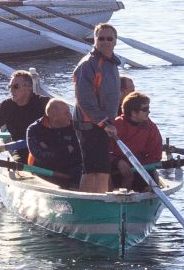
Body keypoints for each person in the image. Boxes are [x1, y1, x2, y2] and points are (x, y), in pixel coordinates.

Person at [71, 23, 123, 194]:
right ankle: (90, 202)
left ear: (115, 41)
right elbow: (84, 99)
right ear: (94, 40)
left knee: (102, 169)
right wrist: (104, 123)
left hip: (104, 123)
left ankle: (99, 198)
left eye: (109, 39)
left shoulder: (112, 63)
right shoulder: (88, 65)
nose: (105, 42)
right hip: (90, 124)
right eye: (101, 38)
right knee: (93, 169)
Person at [22, 99, 84, 186]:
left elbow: (78, 154)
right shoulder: (35, 129)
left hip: (71, 169)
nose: (70, 116)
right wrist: (66, 150)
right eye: (66, 113)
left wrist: (54, 151)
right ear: (54, 116)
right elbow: (41, 156)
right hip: (44, 171)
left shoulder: (74, 126)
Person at [110, 91, 163, 188]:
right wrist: (116, 162)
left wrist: (137, 166)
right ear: (133, 112)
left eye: (148, 108)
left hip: (140, 167)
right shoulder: (115, 126)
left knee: (147, 179)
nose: (149, 112)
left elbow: (155, 156)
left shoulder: (151, 127)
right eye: (145, 109)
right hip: (116, 168)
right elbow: (102, 152)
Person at [0, 69, 49, 145]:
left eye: (15, 87)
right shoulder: (6, 106)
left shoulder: (45, 104)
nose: (11, 90)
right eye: (10, 87)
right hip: (19, 150)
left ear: (29, 88)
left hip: (43, 148)